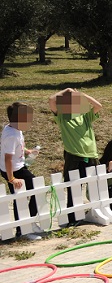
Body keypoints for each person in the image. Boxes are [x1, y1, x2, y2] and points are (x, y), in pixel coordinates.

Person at [49, 88, 102, 223]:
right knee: (73, 187)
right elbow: (51, 100)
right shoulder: (61, 117)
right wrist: (66, 91)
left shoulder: (85, 117)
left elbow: (98, 106)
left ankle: (96, 211)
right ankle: (73, 217)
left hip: (91, 154)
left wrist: (82, 95)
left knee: (95, 185)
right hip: (73, 155)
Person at [2, 102, 41, 240]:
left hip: (18, 166)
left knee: (28, 194)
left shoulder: (13, 128)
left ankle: (27, 224)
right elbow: (7, 158)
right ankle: (24, 229)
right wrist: (11, 178)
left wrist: (27, 151)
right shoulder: (11, 134)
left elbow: (14, 147)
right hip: (14, 170)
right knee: (30, 193)